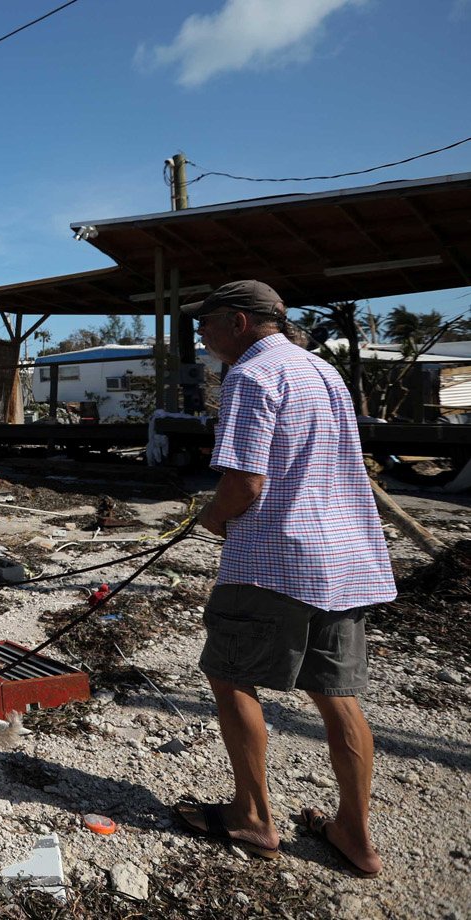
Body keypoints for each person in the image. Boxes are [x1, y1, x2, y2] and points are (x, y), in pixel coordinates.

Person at [175, 280, 395, 877]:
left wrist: (210, 519)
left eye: (207, 323)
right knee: (337, 696)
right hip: (344, 559)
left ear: (240, 323)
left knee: (229, 675)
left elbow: (245, 482)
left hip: (276, 558)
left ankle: (251, 816)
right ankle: (354, 833)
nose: (202, 334)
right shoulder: (321, 371)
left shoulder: (249, 376)